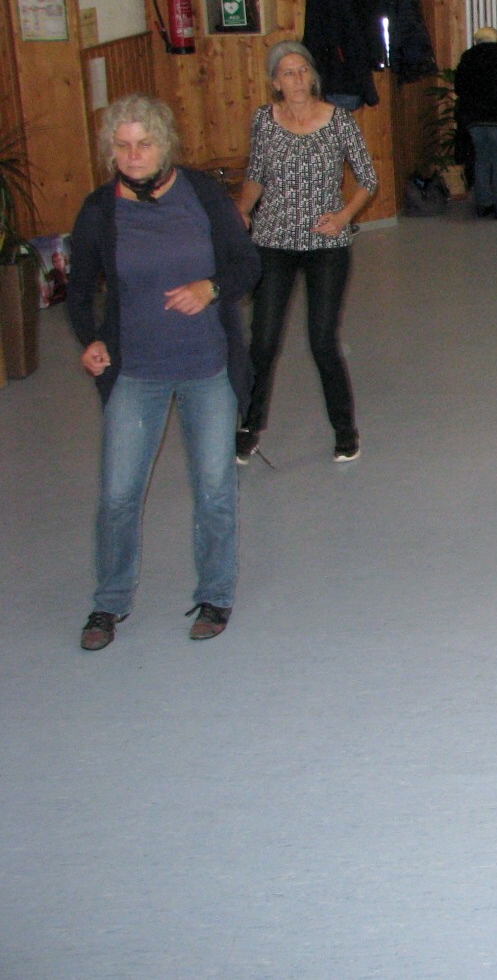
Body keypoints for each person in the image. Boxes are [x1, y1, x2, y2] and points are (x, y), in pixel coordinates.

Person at [68, 95, 260, 650]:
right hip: (136, 371)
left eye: (144, 144)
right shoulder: (100, 210)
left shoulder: (201, 195)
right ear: (110, 151)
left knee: (214, 489)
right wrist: (91, 340)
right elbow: (78, 290)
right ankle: (109, 602)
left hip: (207, 367)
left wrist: (210, 287)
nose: (133, 155)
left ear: (165, 146)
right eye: (122, 146)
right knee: (118, 495)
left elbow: (247, 264)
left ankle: (215, 594)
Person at [235, 41, 378, 465]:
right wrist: (240, 211)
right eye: (287, 72)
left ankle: (345, 430)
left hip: (325, 245)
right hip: (273, 241)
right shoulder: (264, 120)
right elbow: (255, 176)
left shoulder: (338, 120)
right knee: (262, 341)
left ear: (312, 76)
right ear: (275, 82)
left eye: (302, 71)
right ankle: (248, 426)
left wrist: (344, 216)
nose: (297, 79)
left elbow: (368, 179)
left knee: (322, 341)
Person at [453, 26, 497, 220]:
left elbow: (458, 87)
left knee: (481, 160)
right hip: (496, 117)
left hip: (474, 119)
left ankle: (483, 204)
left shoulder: (468, 56)